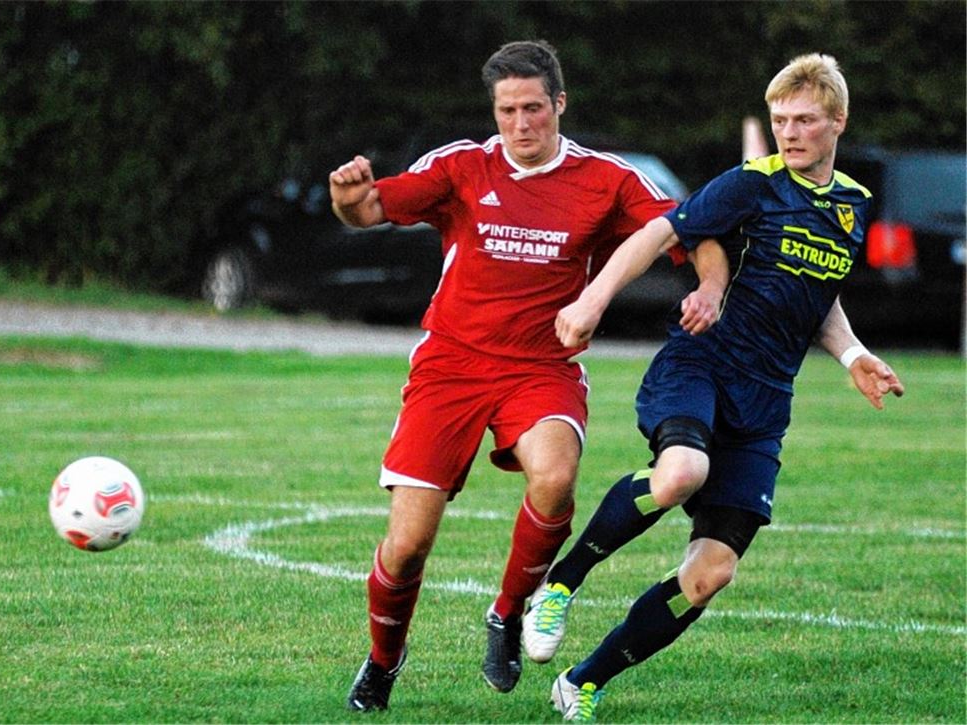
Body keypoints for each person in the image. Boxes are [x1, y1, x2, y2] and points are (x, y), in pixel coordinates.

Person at [328, 40, 727, 713]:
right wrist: (346, 197)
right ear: (495, 110)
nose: (520, 123)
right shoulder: (461, 165)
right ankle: (381, 661)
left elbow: (692, 226)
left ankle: (508, 613)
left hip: (541, 367)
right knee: (405, 546)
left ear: (559, 104)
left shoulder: (606, 179)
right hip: (450, 367)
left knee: (556, 473)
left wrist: (713, 284)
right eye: (508, 109)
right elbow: (367, 211)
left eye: (534, 108)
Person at [519, 53, 906, 723]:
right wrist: (592, 301)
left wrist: (853, 355)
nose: (789, 132)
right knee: (679, 473)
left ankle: (583, 680)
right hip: (701, 367)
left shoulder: (852, 205)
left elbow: (819, 299)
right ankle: (559, 582)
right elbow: (655, 233)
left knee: (710, 573)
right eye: (780, 119)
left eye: (804, 120)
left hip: (764, 406)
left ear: (837, 121)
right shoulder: (749, 184)